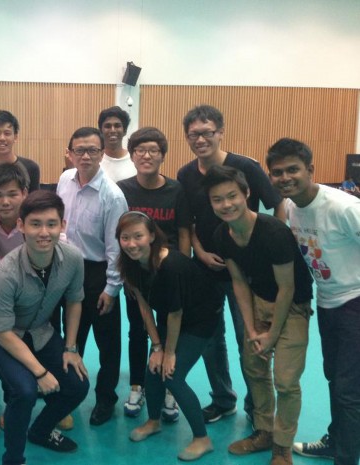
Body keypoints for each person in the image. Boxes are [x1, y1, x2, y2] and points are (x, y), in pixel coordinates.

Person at [177, 104, 284, 424]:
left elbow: (278, 207)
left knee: (248, 339)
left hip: (247, 273)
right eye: (193, 134)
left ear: (220, 132)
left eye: (207, 132)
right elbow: (190, 223)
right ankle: (223, 399)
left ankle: (257, 406)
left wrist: (270, 249)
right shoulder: (185, 174)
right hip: (206, 270)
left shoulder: (246, 167)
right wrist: (199, 250)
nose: (200, 139)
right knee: (210, 340)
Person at [203, 165, 313, 465]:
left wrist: (271, 335)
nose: (226, 205)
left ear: (247, 194)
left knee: (287, 381)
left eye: (232, 196)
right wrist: (251, 330)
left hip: (291, 307)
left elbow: (287, 289)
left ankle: (282, 447)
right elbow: (238, 282)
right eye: (217, 200)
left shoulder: (274, 232)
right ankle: (264, 431)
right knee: (254, 368)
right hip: (258, 301)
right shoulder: (221, 234)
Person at [0, 190, 89, 465]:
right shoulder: (6, 273)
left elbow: (75, 301)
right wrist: (40, 373)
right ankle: (13, 458)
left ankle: (39, 431)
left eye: (52, 224)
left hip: (38, 329)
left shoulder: (73, 258)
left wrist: (71, 348)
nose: (44, 232)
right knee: (25, 391)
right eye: (35, 224)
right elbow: (3, 332)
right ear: (21, 226)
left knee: (78, 386)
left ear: (62, 226)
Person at [267, 138, 360, 465]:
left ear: (311, 170)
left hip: (355, 302)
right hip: (327, 301)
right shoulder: (291, 207)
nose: (285, 177)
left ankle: (346, 459)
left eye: (293, 169)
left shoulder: (343, 207)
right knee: (334, 378)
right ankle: (337, 441)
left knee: (349, 390)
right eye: (277, 172)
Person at [116, 211, 222, 461]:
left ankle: (202, 438)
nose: (131, 244)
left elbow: (176, 314)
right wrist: (156, 347)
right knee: (153, 368)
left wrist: (170, 353)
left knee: (171, 376)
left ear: (152, 235)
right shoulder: (131, 264)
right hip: (171, 314)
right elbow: (143, 305)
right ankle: (153, 421)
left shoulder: (170, 266)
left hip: (200, 318)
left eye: (138, 236)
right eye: (125, 237)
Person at [117, 126, 191, 420]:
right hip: (136, 274)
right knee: (138, 330)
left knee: (170, 331)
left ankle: (169, 388)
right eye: (140, 151)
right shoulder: (123, 189)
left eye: (153, 151)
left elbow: (184, 231)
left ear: (162, 156)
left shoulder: (176, 190)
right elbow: (118, 234)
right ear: (132, 156)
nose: (146, 156)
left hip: (168, 274)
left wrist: (183, 270)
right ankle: (138, 385)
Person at [57, 127, 128, 426]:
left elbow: (116, 248)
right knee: (72, 337)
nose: (85, 156)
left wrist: (112, 289)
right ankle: (70, 393)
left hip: (98, 274)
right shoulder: (64, 180)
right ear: (70, 153)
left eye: (92, 150)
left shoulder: (113, 196)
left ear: (102, 154)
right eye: (79, 150)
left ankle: (105, 398)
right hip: (67, 269)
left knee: (107, 344)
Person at [98, 106, 136, 183]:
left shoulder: (135, 160)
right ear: (101, 131)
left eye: (117, 126)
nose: (112, 130)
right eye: (107, 126)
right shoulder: (94, 160)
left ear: (125, 131)